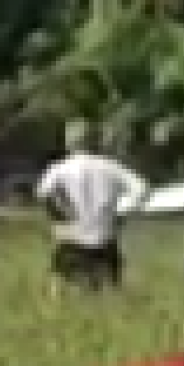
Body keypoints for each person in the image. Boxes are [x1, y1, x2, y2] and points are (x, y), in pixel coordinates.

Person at [35, 120, 149, 293]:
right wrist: (122, 215)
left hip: (72, 235)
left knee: (60, 287)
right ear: (93, 141)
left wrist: (59, 217)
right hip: (105, 235)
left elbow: (43, 194)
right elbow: (142, 188)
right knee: (107, 289)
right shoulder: (110, 167)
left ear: (69, 143)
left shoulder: (59, 168)